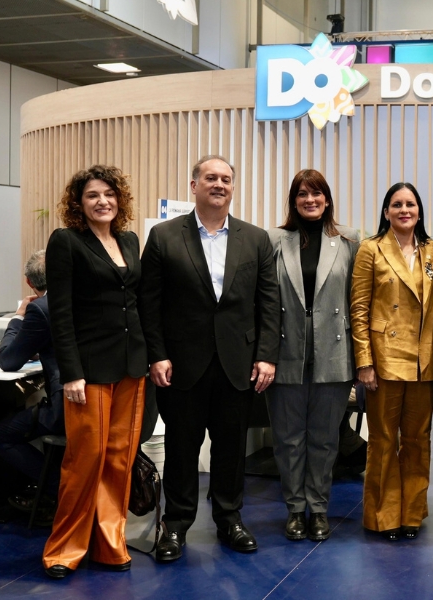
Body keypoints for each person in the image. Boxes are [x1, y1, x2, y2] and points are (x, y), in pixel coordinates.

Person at [140, 155, 280, 562]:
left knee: (231, 449)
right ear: (194, 185)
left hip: (238, 363)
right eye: (211, 178)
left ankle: (230, 519)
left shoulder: (256, 239)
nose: (219, 184)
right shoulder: (164, 236)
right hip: (181, 364)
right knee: (181, 448)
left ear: (233, 187)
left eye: (226, 179)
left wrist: (266, 356)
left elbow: (268, 303)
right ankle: (176, 524)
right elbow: (149, 303)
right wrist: (157, 354)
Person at [41, 165, 149, 579]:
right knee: (85, 458)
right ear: (79, 203)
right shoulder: (66, 241)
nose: (102, 201)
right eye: (92, 195)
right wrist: (71, 372)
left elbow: (134, 302)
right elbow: (61, 313)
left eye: (109, 194)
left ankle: (109, 543)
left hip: (132, 366)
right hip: (89, 369)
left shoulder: (129, 240)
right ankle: (63, 550)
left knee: (120, 459)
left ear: (119, 199)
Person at [266, 169, 360, 542]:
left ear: (327, 199)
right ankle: (294, 510)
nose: (310, 200)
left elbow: (358, 301)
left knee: (324, 439)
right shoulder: (273, 240)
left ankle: (318, 509)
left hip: (334, 352)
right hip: (285, 351)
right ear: (293, 201)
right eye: (302, 194)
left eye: (316, 193)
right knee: (288, 438)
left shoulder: (349, 240)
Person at [350, 182, 433, 541]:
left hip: (423, 359)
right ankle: (383, 516)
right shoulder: (370, 249)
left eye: (410, 204)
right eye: (397, 204)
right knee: (384, 440)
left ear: (419, 211)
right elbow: (359, 309)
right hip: (383, 360)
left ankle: (412, 513)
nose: (404, 210)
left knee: (417, 440)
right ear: (386, 211)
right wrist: (364, 362)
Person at [0, 250, 65, 522]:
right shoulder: (85, 299)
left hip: (64, 408)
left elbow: (8, 360)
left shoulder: (40, 308)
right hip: (101, 401)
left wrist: (18, 317)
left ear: (29, 283)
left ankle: (58, 488)